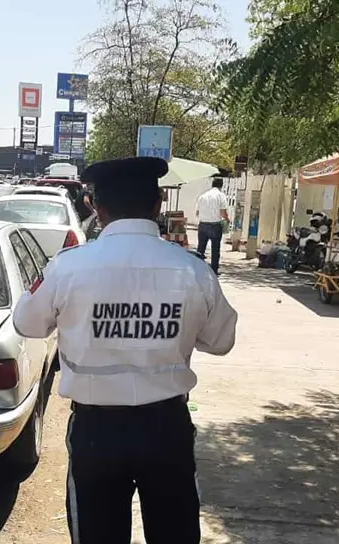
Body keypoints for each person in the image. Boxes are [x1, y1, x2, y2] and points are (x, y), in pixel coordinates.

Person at [13, 156, 239, 544]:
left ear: (97, 208)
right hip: (166, 428)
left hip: (96, 431)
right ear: (158, 204)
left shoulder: (68, 267)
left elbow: (27, 324)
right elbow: (221, 341)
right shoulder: (192, 269)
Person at [195, 177, 229, 274]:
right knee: (215, 249)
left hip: (203, 225)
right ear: (221, 185)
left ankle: (198, 268)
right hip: (215, 225)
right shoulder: (221, 196)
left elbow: (197, 213)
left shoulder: (202, 196)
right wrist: (227, 219)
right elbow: (223, 212)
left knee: (200, 249)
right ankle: (214, 270)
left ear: (212, 184)